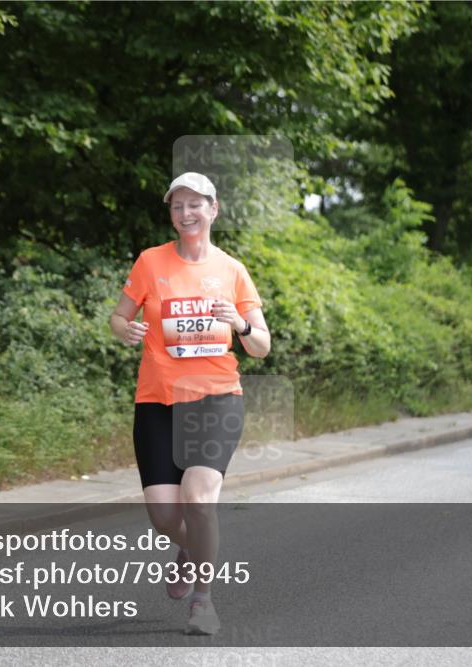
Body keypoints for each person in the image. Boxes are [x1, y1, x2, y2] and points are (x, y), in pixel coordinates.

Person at [109, 172, 271, 634]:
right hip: (158, 402)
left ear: (213, 209)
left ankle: (204, 602)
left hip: (216, 400)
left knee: (199, 501)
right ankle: (193, 547)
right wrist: (127, 330)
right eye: (177, 206)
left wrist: (239, 323)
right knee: (164, 514)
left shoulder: (232, 270)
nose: (186, 213)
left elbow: (262, 345)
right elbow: (118, 318)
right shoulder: (150, 262)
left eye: (195, 204)